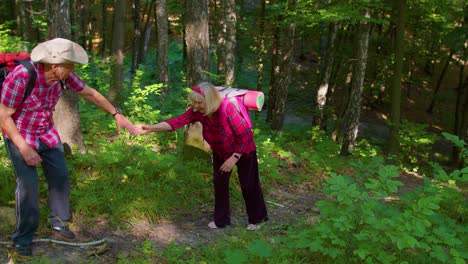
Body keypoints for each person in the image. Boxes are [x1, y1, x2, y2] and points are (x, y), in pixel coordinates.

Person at [0, 38, 134, 258]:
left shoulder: (64, 76)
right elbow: (4, 116)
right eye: (70, 65)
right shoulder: (22, 76)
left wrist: (116, 113)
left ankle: (59, 224)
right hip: (20, 134)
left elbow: (89, 93)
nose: (73, 70)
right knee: (28, 185)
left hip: (46, 132)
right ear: (55, 65)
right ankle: (22, 239)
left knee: (60, 176)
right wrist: (24, 148)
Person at [134, 82, 268, 230]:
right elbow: (177, 121)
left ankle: (257, 219)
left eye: (199, 103)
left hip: (242, 151)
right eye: (194, 103)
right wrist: (150, 128)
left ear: (210, 100)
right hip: (221, 150)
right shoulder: (198, 112)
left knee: (249, 184)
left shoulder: (228, 108)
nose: (195, 106)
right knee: (220, 184)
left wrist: (234, 158)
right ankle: (221, 220)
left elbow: (246, 136)